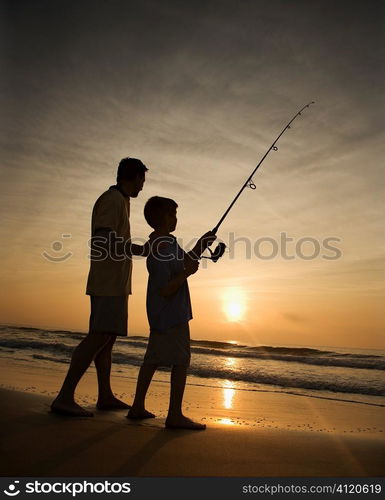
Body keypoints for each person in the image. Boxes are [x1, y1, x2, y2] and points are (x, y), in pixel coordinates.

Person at [51, 157, 149, 416]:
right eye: (142, 181)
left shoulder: (122, 202)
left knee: (107, 339)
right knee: (99, 336)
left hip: (114, 283)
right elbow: (102, 239)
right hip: (107, 282)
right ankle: (64, 396)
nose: (142, 187)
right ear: (135, 177)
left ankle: (105, 395)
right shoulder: (112, 200)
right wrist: (139, 249)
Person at [127, 196, 216, 429]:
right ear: (162, 218)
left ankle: (137, 407)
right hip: (171, 315)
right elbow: (165, 288)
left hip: (161, 315)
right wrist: (187, 274)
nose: (176, 218)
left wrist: (201, 245)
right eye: (173, 214)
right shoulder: (161, 249)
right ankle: (174, 415)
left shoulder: (165, 244)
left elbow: (185, 261)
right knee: (180, 362)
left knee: (152, 359)